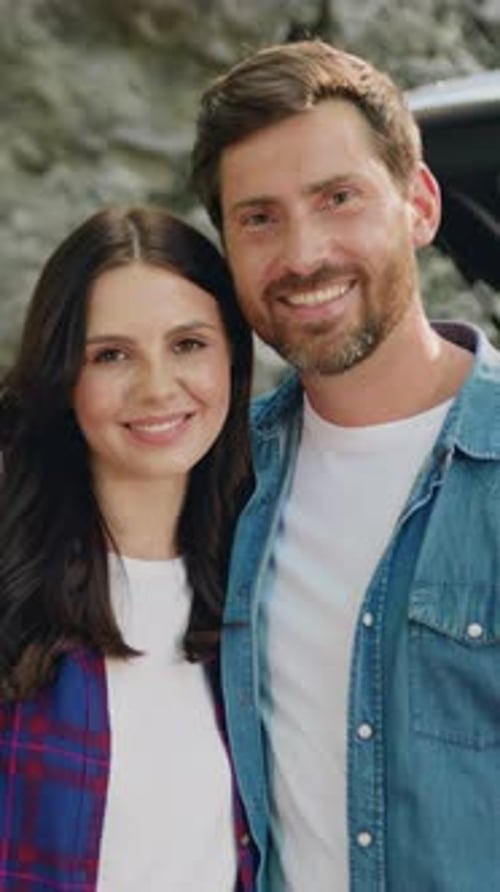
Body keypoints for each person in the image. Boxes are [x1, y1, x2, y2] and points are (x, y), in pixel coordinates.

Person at [191, 38, 500, 892]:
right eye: (259, 218)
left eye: (338, 198)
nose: (303, 255)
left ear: (420, 205)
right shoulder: (216, 479)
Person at [0, 206, 256, 891]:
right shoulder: (12, 580)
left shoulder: (263, 582)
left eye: (188, 344)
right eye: (111, 355)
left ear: (233, 356)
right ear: (63, 375)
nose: (158, 388)